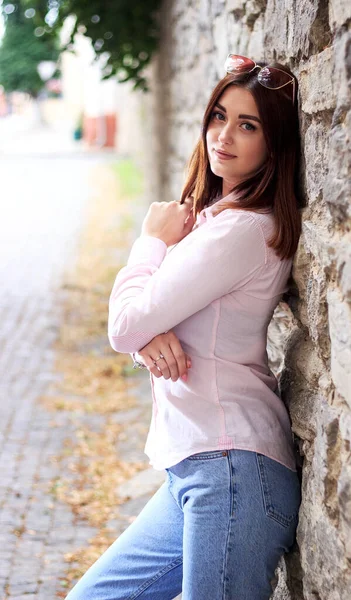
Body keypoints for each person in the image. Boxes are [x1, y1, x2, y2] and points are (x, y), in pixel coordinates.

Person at [66, 53, 303, 600]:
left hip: (232, 472)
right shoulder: (213, 221)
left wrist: (150, 240)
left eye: (249, 125)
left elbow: (124, 322)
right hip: (196, 472)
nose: (224, 135)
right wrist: (149, 338)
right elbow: (142, 324)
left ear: (275, 144)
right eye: (219, 116)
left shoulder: (241, 231)